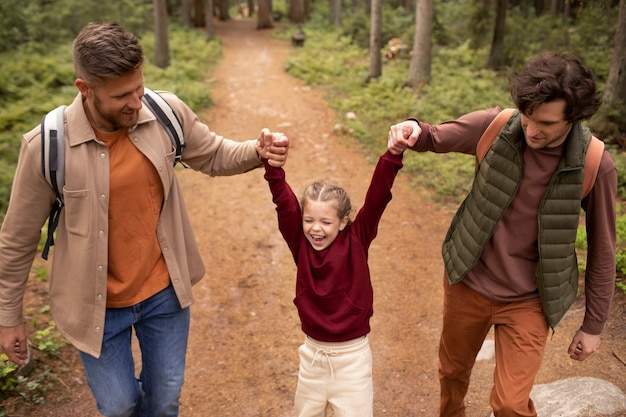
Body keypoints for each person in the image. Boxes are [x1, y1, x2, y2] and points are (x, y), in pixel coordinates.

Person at [0, 21, 289, 417]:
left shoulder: (163, 112)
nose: (136, 102)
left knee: (165, 399)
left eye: (139, 87)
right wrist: (8, 318)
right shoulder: (47, 146)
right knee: (119, 407)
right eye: (122, 96)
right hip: (94, 307)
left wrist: (258, 150)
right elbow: (16, 239)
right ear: (84, 88)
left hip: (164, 293)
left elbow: (214, 153)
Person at [388, 51, 617, 417]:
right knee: (452, 373)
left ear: (573, 119)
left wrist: (593, 326)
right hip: (469, 281)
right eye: (527, 116)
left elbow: (603, 250)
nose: (531, 129)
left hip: (530, 299)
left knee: (510, 404)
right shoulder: (497, 127)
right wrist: (413, 129)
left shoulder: (594, 163)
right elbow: (434, 135)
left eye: (545, 122)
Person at [257, 132, 406, 416]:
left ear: (343, 222)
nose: (316, 228)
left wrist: (392, 156)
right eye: (309, 220)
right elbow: (284, 204)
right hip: (312, 359)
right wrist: (273, 168)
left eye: (326, 221)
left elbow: (376, 198)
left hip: (352, 361)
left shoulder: (358, 238)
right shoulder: (299, 243)